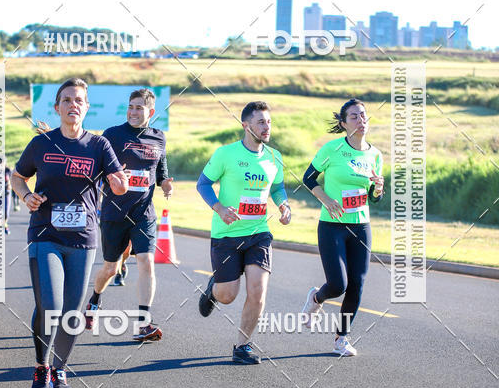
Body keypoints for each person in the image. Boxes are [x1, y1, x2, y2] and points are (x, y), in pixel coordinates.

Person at [11, 78, 128, 388]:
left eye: (79, 100)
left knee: (72, 311)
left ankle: (60, 368)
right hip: (45, 233)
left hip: (83, 237)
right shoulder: (42, 144)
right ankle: (41, 367)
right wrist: (25, 195)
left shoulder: (99, 146)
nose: (73, 105)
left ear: (87, 107)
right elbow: (18, 176)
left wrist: (119, 183)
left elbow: (118, 184)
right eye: (67, 100)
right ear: (57, 107)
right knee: (50, 304)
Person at [196, 101, 291, 364]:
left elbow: (277, 187)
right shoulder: (225, 154)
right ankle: (213, 290)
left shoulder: (274, 157)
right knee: (228, 296)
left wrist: (284, 206)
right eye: (261, 122)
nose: (266, 127)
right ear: (245, 125)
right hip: (226, 234)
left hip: (259, 233)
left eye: (269, 122)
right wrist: (218, 207)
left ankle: (242, 346)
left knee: (258, 290)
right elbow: (203, 183)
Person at [84, 89, 173, 342]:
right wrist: (111, 174)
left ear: (151, 112)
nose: (133, 112)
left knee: (146, 261)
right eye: (131, 107)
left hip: (144, 212)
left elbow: (161, 169)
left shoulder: (159, 138)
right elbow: (94, 165)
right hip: (114, 213)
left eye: (139, 108)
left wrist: (166, 183)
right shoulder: (113, 135)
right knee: (111, 268)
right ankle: (95, 299)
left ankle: (144, 323)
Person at [301, 98, 384, 357]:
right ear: (343, 123)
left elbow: (374, 196)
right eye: (354, 117)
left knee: (357, 284)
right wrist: (327, 200)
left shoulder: (375, 154)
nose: (361, 121)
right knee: (337, 285)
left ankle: (341, 338)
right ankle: (316, 298)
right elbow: (308, 178)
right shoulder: (332, 149)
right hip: (332, 225)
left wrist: (378, 188)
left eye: (363, 115)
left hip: (361, 225)